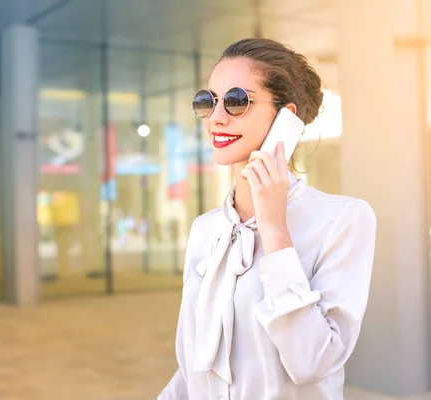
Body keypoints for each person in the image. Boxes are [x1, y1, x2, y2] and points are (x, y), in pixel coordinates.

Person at [157, 38, 377, 400]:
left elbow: (313, 363)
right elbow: (193, 367)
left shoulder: (344, 219)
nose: (217, 117)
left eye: (237, 101)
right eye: (206, 101)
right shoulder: (206, 229)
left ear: (285, 118)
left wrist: (274, 230)